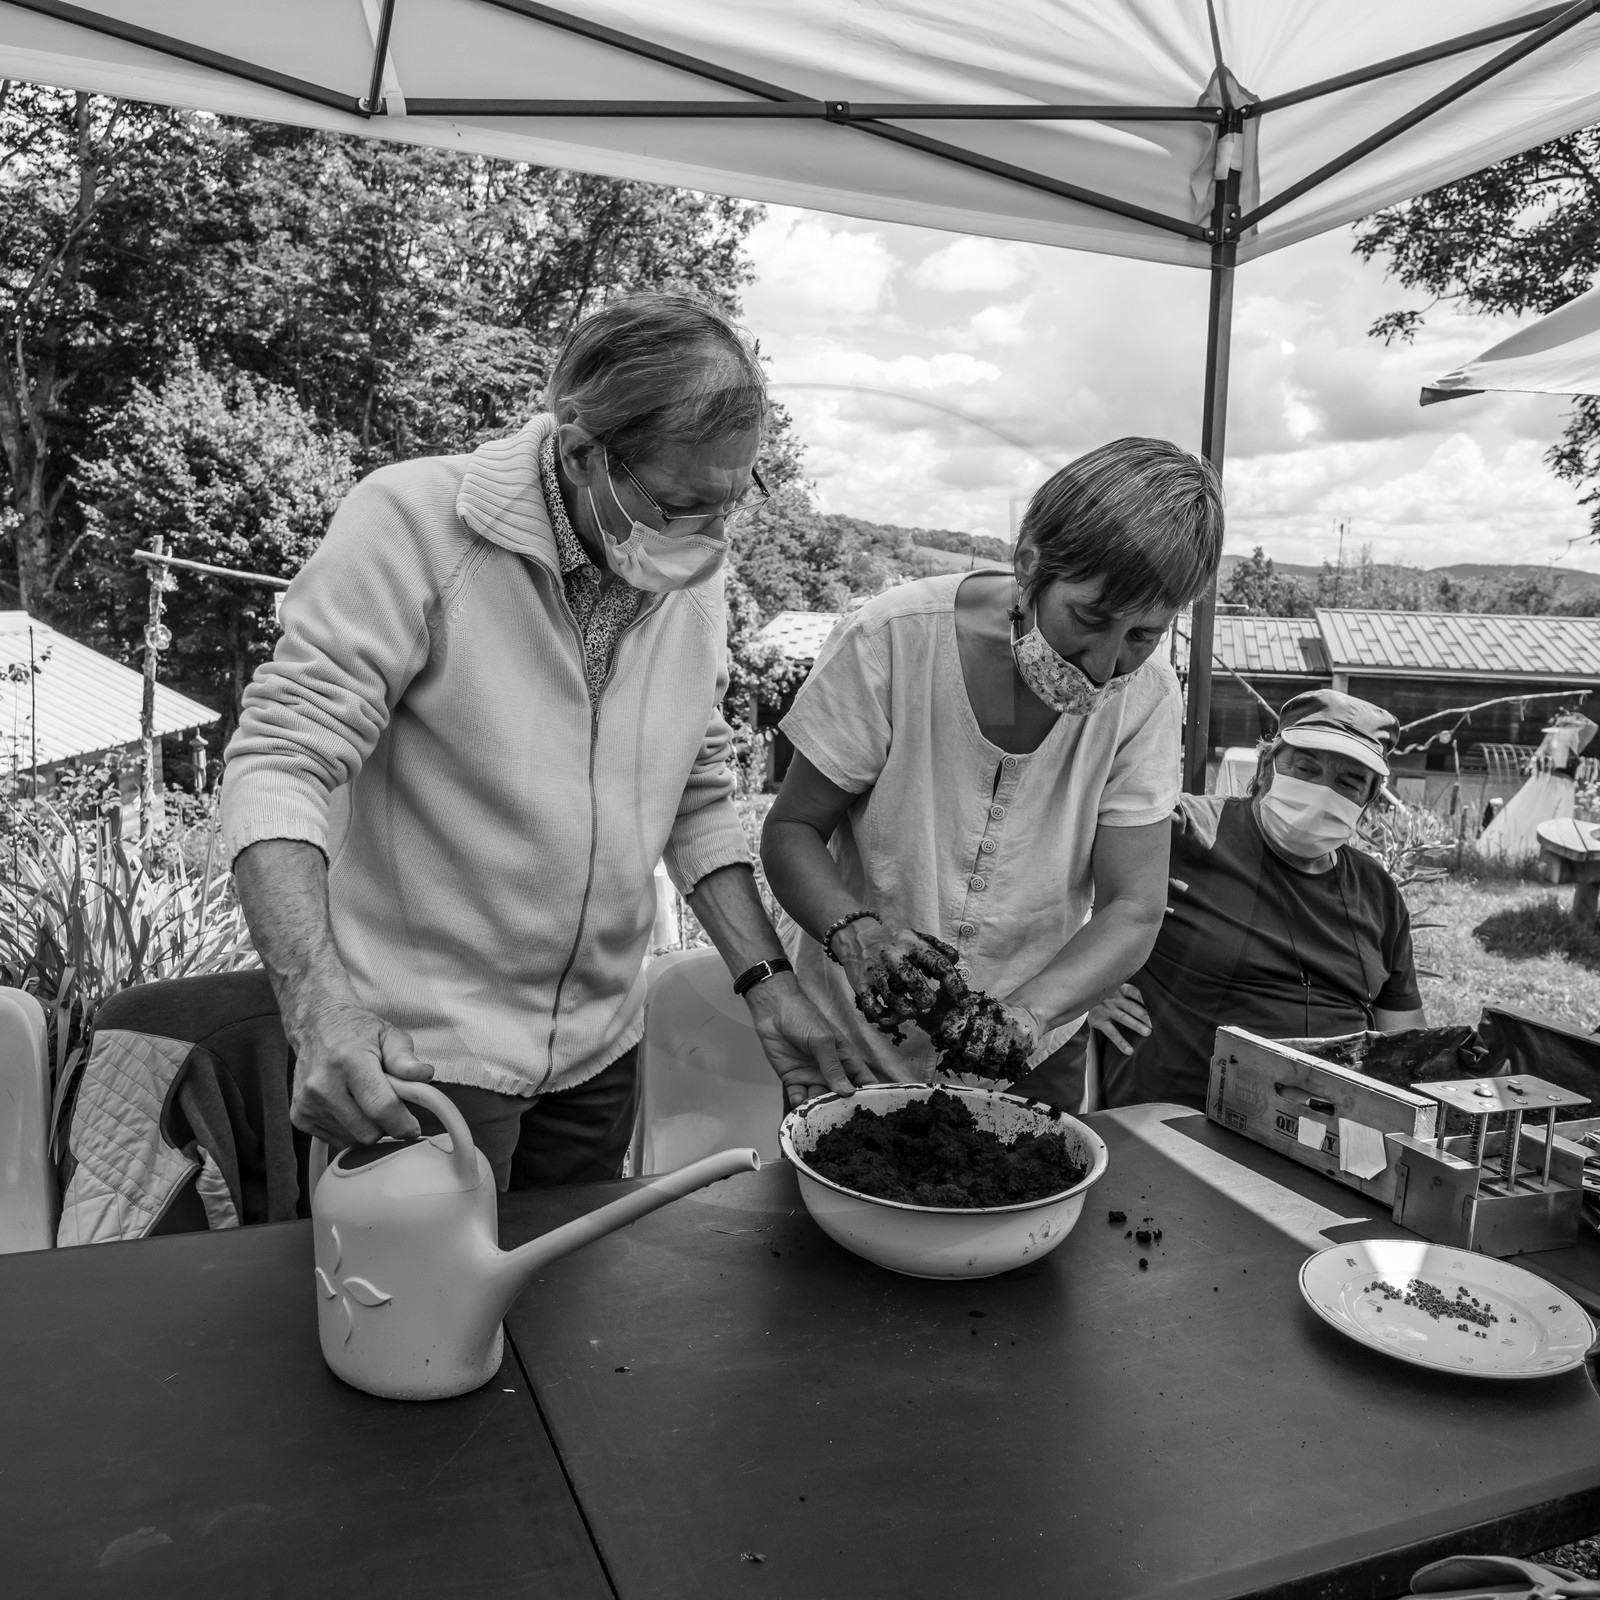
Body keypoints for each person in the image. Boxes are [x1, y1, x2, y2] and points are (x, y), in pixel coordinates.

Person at [221, 291, 879, 1187]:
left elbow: (695, 790)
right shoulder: (413, 522)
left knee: (571, 1308)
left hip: (602, 1049)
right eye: (682, 506)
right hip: (422, 1059)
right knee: (421, 1317)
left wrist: (771, 985)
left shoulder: (689, 573)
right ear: (581, 450)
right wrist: (317, 1009)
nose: (711, 541)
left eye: (730, 506)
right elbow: (281, 761)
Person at [760, 437, 1226, 1107]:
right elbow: (794, 830)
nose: (1104, 664)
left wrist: (1028, 1017)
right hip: (851, 1043)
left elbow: (1132, 906)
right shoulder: (895, 639)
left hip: (1029, 1057)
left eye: (1143, 636)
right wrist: (856, 934)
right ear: (1032, 566)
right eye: (1089, 619)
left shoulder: (1148, 697)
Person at [1094, 689, 1428, 1110]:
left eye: (1349, 782)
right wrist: (1085, 987)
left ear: (1369, 800)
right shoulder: (1181, 832)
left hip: (1328, 1133)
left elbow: (1405, 1047)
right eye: (1306, 768)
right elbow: (1045, 880)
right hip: (1176, 1126)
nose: (1323, 791)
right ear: (1269, 765)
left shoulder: (1378, 892)